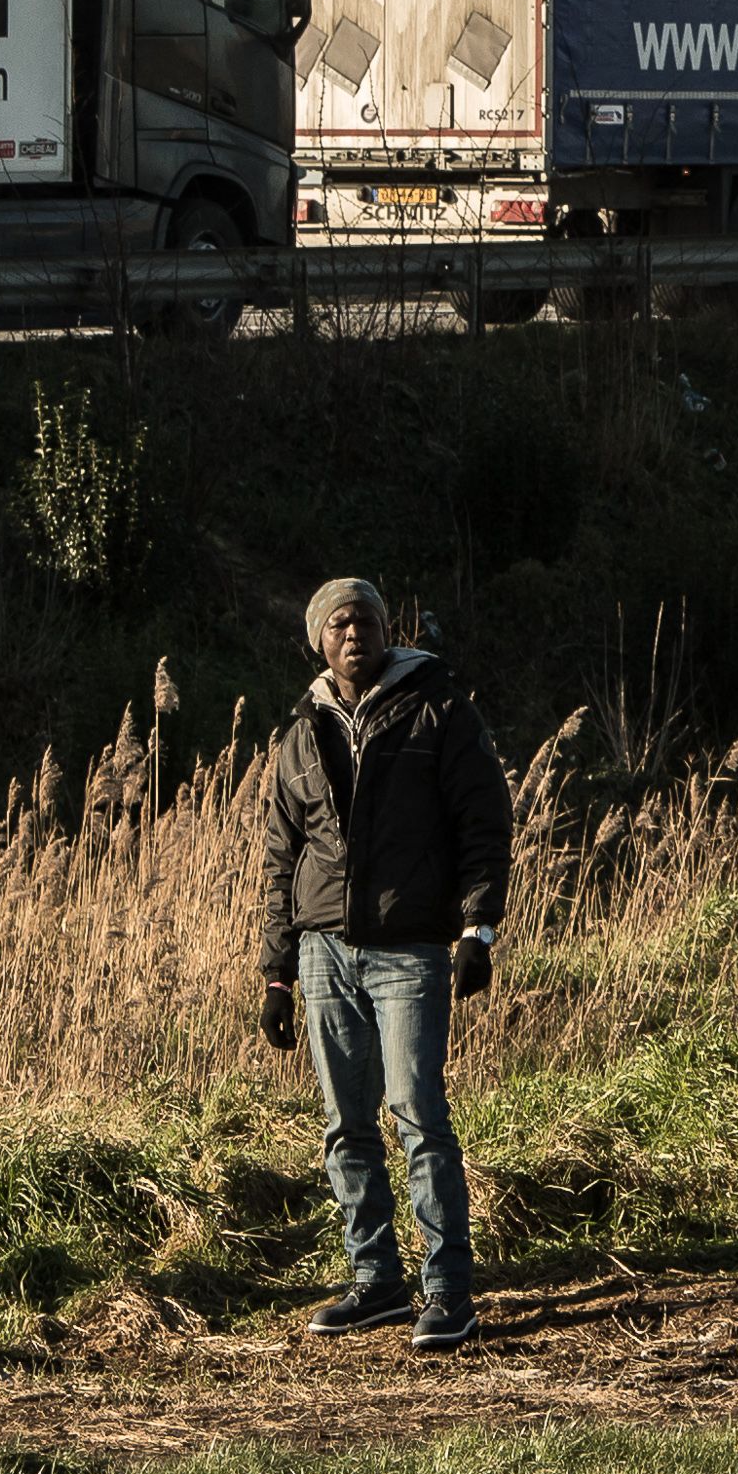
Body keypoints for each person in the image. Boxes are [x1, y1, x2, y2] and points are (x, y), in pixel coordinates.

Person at [259, 577, 514, 1352]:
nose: (354, 630)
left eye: (366, 617)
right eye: (338, 622)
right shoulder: (301, 731)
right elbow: (280, 854)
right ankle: (375, 1282)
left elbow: (484, 816)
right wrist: (276, 971)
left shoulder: (438, 707)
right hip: (322, 949)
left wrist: (479, 928)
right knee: (346, 1124)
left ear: (387, 628)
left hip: (409, 950)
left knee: (418, 1117)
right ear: (318, 641)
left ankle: (449, 1292)